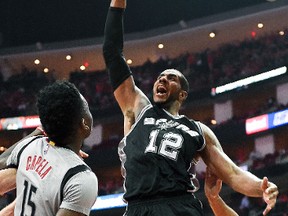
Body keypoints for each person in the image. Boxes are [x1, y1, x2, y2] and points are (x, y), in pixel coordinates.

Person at [102, 0, 278, 215]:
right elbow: (111, 52)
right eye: (160, 77)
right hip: (139, 207)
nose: (163, 80)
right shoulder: (139, 109)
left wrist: (262, 187)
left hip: (180, 206)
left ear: (182, 94)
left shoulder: (197, 130)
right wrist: (118, 4)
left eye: (171, 78)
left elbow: (231, 173)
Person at [0, 80, 98, 216]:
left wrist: (36, 134)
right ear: (84, 124)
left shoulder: (29, 146)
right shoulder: (81, 178)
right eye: (86, 108)